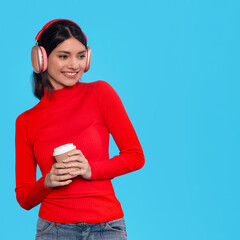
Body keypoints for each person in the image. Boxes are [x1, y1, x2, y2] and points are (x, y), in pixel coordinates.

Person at [15, 19, 145, 240]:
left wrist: (90, 170)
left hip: (107, 227)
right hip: (54, 230)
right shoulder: (26, 121)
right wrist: (47, 181)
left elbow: (135, 157)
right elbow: (24, 198)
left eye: (81, 56)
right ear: (41, 59)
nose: (74, 65)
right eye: (63, 56)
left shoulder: (101, 94)